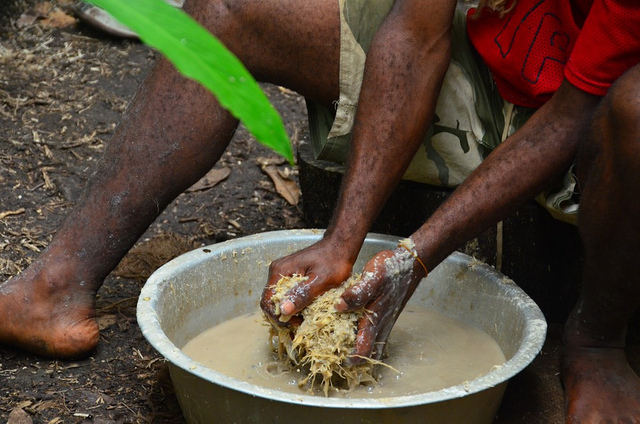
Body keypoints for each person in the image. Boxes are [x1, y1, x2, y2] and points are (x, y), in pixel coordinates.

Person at [0, 0, 637, 422]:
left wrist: (412, 259)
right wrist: (342, 241)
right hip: (508, 57)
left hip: (599, 112)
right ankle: (53, 287)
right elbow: (415, 35)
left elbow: (576, 116)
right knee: (225, 12)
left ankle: (598, 340)